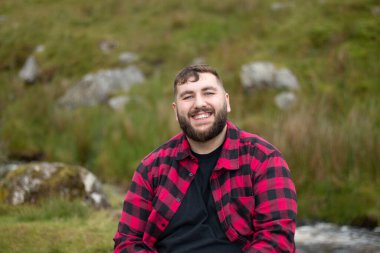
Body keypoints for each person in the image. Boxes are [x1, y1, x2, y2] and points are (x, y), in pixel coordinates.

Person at [114, 64, 297, 253]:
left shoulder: (264, 160)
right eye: (188, 96)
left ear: (227, 102)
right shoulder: (151, 168)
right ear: (176, 110)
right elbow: (127, 242)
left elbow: (277, 239)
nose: (199, 104)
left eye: (208, 93)